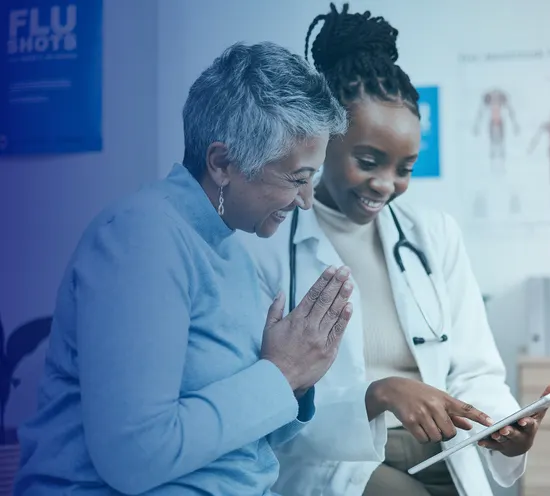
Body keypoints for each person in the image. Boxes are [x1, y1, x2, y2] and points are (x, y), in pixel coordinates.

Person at [14, 41, 353, 495]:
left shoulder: (230, 249)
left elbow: (243, 438)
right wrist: (281, 374)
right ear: (223, 163)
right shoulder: (140, 239)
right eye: (297, 179)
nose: (306, 200)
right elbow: (136, 456)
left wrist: (298, 377)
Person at [240, 5, 550, 496]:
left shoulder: (434, 234)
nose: (386, 184)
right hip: (334, 459)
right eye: (369, 161)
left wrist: (503, 429)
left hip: (445, 447)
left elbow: (474, 368)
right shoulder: (267, 242)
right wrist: (376, 396)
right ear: (324, 139)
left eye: (405, 167)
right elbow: (264, 403)